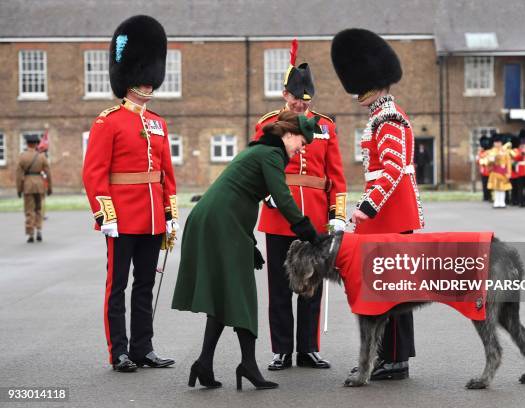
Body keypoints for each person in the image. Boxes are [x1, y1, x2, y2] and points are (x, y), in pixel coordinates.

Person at [172, 111, 321, 391]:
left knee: (224, 294)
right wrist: (309, 232)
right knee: (242, 294)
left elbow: (237, 196)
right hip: (221, 223)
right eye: (301, 141)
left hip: (219, 220)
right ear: (287, 135)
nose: (302, 148)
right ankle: (248, 365)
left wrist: (249, 242)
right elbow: (282, 197)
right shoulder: (271, 155)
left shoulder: (263, 151)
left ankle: (205, 362)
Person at [82, 15, 178, 372]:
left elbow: (165, 174)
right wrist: (105, 214)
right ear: (128, 79)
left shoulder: (158, 123)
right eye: (142, 78)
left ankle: (143, 348)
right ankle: (118, 351)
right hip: (121, 218)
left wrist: (169, 216)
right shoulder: (108, 121)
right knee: (117, 287)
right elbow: (94, 173)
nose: (148, 85)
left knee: (145, 286)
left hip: (152, 216)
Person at [331, 28, 424, 380]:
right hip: (382, 216)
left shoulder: (389, 118)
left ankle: (396, 359)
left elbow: (393, 170)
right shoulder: (378, 116)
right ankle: (383, 355)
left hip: (390, 216)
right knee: (382, 290)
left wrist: (366, 208)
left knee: (395, 291)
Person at [253, 40, 347, 371]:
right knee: (280, 288)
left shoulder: (325, 126)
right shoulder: (267, 124)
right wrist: (267, 193)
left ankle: (308, 348)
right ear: (285, 95)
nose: (300, 107)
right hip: (280, 215)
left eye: (305, 103)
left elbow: (336, 175)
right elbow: (257, 166)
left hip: (317, 215)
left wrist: (337, 215)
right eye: (295, 101)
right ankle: (282, 349)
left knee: (312, 285)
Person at [16, 134, 52, 243]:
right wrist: (49, 187)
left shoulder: (22, 156)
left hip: (27, 185)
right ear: (36, 144)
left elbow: (18, 175)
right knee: (39, 209)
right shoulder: (41, 157)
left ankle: (30, 233)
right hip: (40, 184)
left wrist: (19, 189)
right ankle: (39, 230)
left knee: (29, 210)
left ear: (27, 144)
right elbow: (48, 173)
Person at [487, 133, 513, 208]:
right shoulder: (491, 151)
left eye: (498, 142)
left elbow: (508, 163)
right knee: (496, 188)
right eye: (496, 142)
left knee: (503, 188)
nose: (497, 144)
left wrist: (509, 172)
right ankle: (496, 201)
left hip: (503, 172)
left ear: (501, 143)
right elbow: (488, 163)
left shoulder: (505, 152)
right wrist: (492, 159)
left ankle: (502, 202)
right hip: (495, 172)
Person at [477, 134, 492, 201]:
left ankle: (489, 196)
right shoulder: (481, 152)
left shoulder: (489, 152)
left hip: (489, 170)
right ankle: (486, 196)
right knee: (484, 184)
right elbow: (478, 161)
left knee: (489, 184)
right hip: (483, 170)